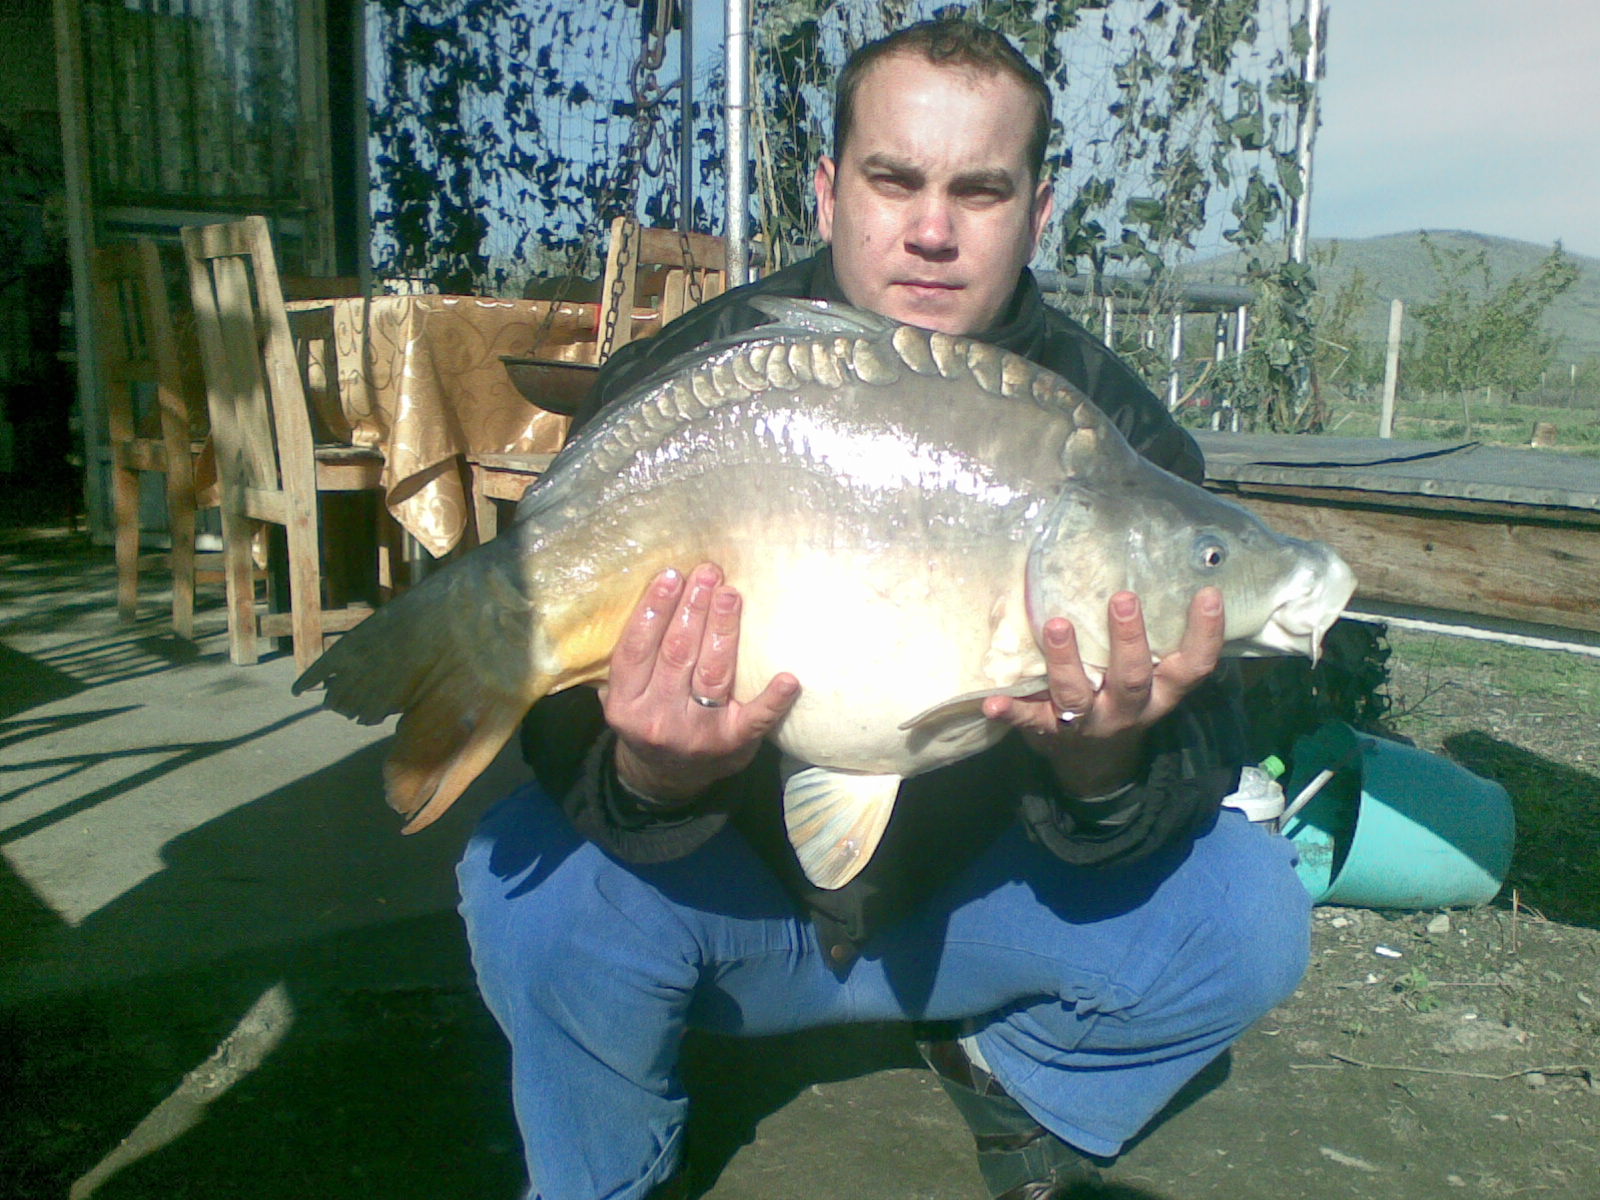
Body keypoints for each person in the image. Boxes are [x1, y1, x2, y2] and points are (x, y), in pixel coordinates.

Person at [458, 18, 1310, 1200]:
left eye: (979, 190)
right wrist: (650, 777)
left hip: (974, 919)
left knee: (1249, 908)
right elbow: (557, 724)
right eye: (894, 179)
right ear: (827, 192)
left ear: (1037, 212)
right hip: (728, 911)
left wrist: (1103, 763)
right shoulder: (696, 378)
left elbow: (1202, 741)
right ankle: (610, 1166)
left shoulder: (1111, 431)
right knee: (523, 886)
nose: (931, 229)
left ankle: (1016, 1070)